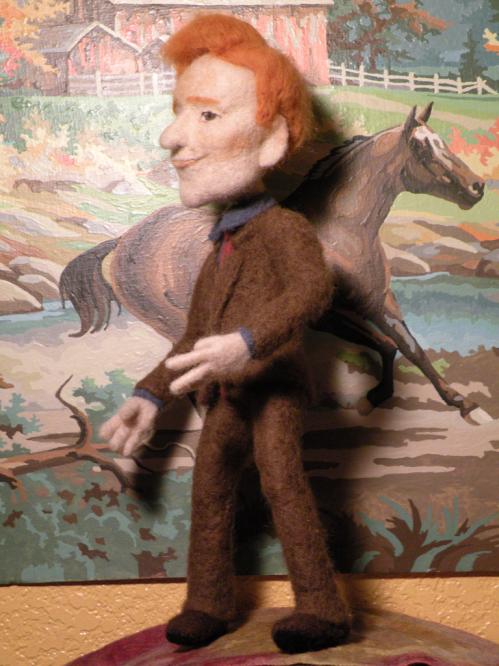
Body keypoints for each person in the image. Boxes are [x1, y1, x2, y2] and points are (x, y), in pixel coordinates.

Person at [101, 13, 350, 654]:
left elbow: (311, 292)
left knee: (281, 481)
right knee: (209, 486)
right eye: (179, 113)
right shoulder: (222, 246)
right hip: (226, 396)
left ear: (271, 141)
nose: (171, 137)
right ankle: (208, 601)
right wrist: (150, 395)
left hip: (273, 387)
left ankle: (322, 608)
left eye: (207, 114)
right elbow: (191, 336)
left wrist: (247, 341)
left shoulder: (284, 230)